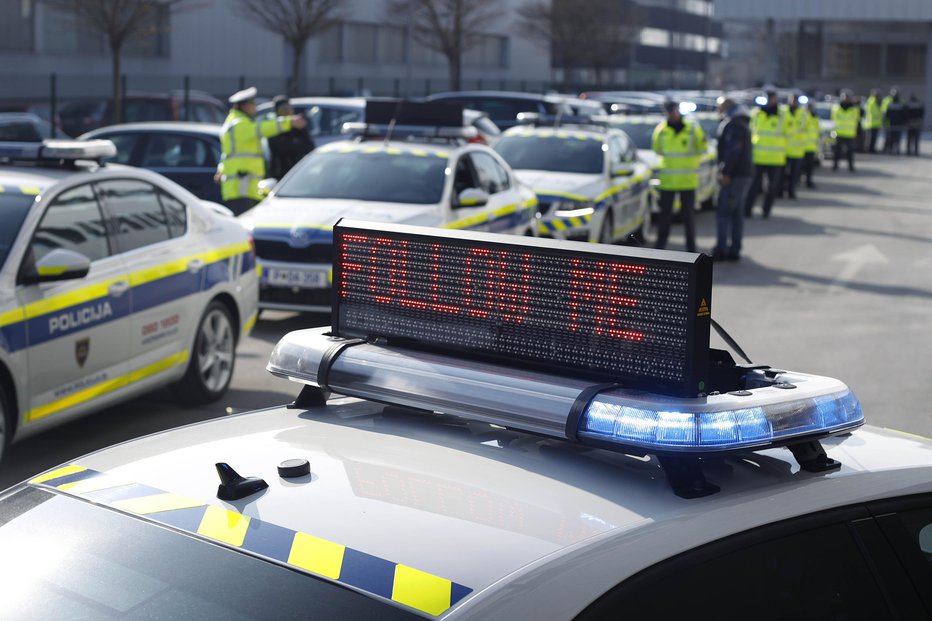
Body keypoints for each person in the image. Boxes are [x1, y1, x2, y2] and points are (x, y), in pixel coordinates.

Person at [215, 86, 306, 215]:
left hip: (241, 189)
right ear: (244, 106)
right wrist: (290, 122)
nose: (255, 107)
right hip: (243, 189)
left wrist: (220, 170)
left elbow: (227, 155)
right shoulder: (240, 124)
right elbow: (263, 128)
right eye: (252, 103)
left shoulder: (233, 122)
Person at [651, 100, 707, 252]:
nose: (672, 114)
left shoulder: (692, 129)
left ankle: (691, 249)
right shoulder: (661, 130)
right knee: (665, 217)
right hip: (668, 182)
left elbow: (702, 147)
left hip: (687, 181)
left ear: (678, 111)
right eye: (669, 112)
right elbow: (657, 149)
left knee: (688, 217)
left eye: (674, 111)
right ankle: (660, 247)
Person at [711, 97, 752, 261]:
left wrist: (726, 172)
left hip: (734, 176)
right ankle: (734, 249)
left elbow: (733, 150)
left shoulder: (732, 124)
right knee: (736, 213)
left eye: (719, 107)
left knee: (724, 213)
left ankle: (721, 249)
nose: (717, 110)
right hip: (743, 174)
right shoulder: (741, 123)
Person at [745, 86, 789, 219]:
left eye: (771, 98)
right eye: (767, 98)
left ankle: (766, 209)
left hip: (776, 158)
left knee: (772, 187)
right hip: (758, 157)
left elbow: (789, 134)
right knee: (754, 186)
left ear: (776, 99)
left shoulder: (783, 115)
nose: (769, 100)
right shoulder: (756, 113)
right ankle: (747, 210)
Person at [267, 95, 314, 179]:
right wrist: (296, 143)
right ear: (277, 112)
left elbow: (309, 146)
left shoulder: (298, 126)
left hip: (297, 170)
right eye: (284, 109)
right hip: (279, 172)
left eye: (289, 108)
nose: (288, 112)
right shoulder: (274, 126)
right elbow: (279, 149)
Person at [782, 93, 808, 199]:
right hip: (783, 149)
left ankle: (791, 191)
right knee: (782, 174)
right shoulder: (783, 112)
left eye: (796, 100)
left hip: (797, 150)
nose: (794, 102)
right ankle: (781, 191)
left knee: (794, 174)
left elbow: (806, 130)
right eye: (792, 100)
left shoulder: (803, 114)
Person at [831, 90, 859, 172]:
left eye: (847, 97)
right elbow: (833, 119)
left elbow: (856, 121)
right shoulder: (836, 108)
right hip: (838, 133)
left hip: (849, 133)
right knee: (837, 151)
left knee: (850, 152)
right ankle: (835, 166)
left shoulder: (854, 109)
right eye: (844, 97)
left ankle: (851, 167)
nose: (845, 99)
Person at [802, 101, 820, 189]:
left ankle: (808, 181)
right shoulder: (803, 116)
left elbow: (817, 131)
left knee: (810, 167)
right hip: (802, 146)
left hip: (811, 146)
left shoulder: (815, 118)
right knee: (800, 167)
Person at [863, 89, 883, 153]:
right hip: (870, 123)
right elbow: (870, 111)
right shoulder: (871, 101)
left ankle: (872, 149)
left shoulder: (877, 101)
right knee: (870, 138)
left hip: (876, 123)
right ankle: (869, 149)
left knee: (874, 138)